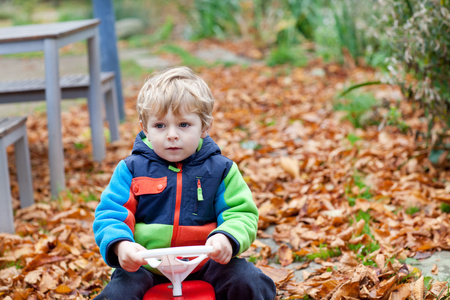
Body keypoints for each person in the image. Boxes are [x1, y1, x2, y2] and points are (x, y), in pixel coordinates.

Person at [93, 66, 276, 299]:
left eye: (183, 125)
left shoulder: (221, 170)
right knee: (118, 294)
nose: (171, 134)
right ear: (145, 129)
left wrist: (226, 237)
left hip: (206, 262)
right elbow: (111, 214)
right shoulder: (131, 169)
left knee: (249, 280)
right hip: (147, 265)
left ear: (204, 126)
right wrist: (121, 245)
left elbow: (241, 212)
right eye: (160, 126)